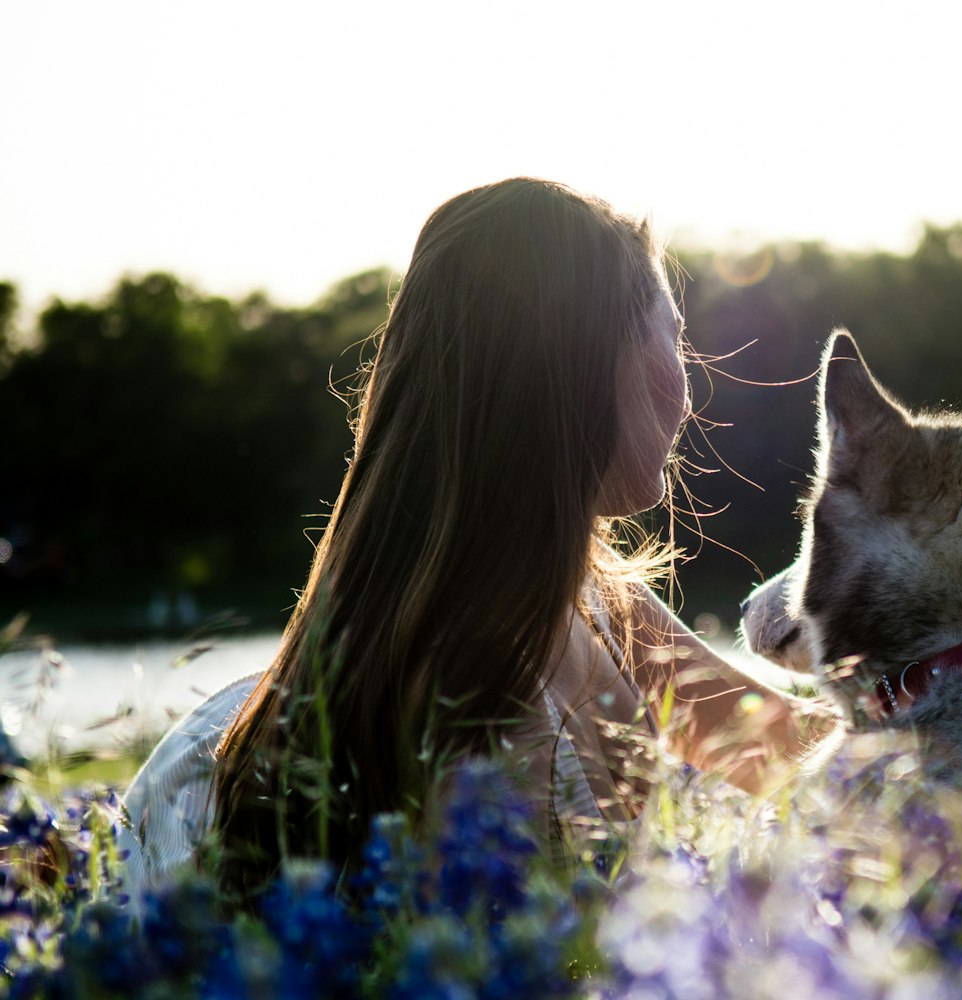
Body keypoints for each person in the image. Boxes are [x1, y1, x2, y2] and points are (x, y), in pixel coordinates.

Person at [116, 177, 837, 905]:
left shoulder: (589, 595)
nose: (688, 387)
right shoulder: (489, 708)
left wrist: (946, 676)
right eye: (675, 337)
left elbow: (783, 747)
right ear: (588, 361)